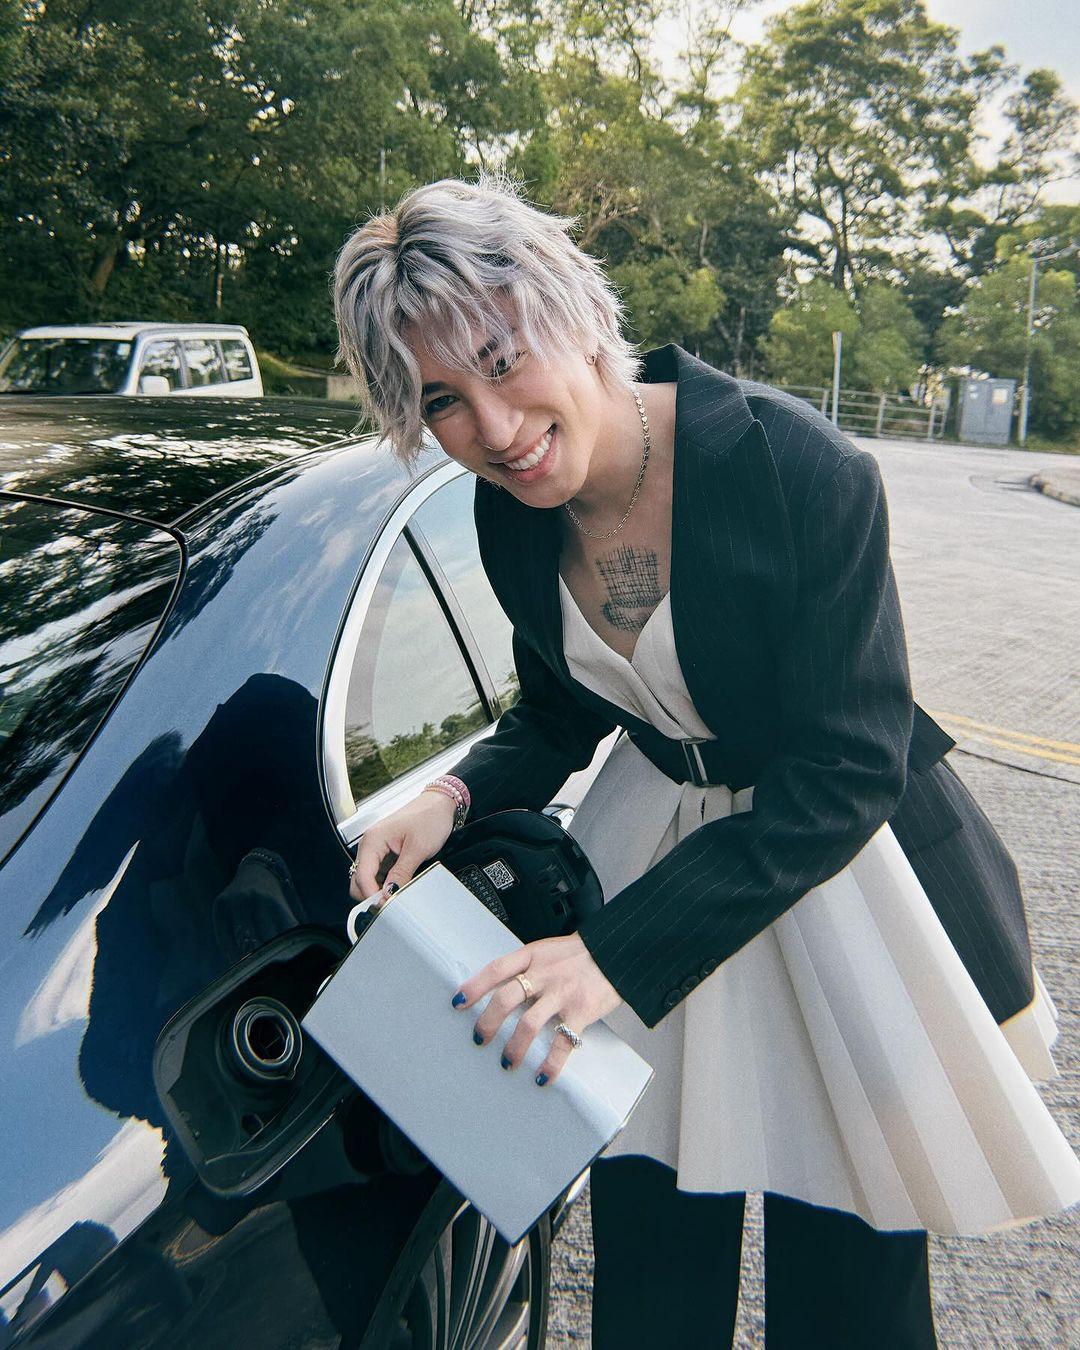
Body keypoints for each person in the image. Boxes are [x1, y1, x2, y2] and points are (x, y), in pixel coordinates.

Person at [332, 173, 1080, 1348]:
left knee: (848, 1281)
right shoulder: (506, 512)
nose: (495, 427)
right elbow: (558, 711)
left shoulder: (802, 468)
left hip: (838, 874)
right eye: (443, 402)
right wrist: (450, 795)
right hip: (652, 859)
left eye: (501, 359)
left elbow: (849, 767)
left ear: (576, 312)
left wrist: (611, 957)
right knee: (651, 1260)